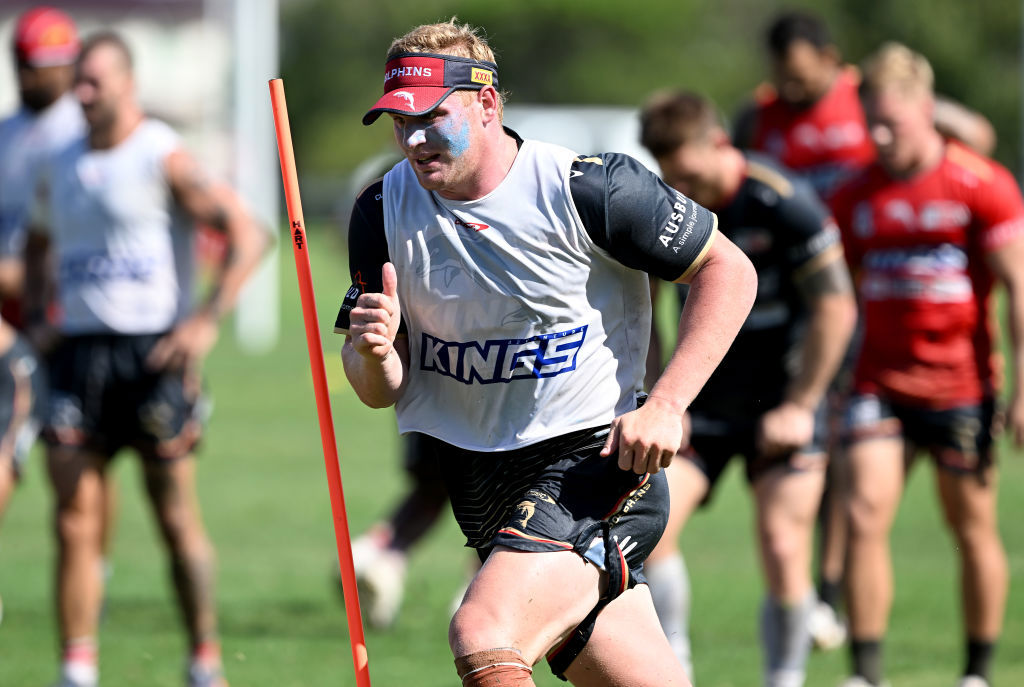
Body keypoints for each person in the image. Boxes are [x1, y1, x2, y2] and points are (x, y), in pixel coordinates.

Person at [335, 19, 757, 686]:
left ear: (486, 104)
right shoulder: (379, 211)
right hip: (478, 487)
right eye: (398, 122)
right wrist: (375, 351)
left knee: (483, 630)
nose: (413, 140)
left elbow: (729, 271)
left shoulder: (590, 188)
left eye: (432, 117)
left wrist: (668, 404)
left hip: (594, 466)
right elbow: (377, 385)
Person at [733, 11, 998, 651]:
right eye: (781, 78)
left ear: (832, 62)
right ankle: (823, 605)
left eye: (802, 76)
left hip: (883, 318)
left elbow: (977, 138)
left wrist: (926, 114)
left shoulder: (865, 99)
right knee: (834, 469)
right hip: (806, 301)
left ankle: (830, 599)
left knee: (863, 480)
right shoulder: (760, 115)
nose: (792, 89)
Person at [24, 31, 266, 687]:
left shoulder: (162, 155)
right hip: (76, 354)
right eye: (78, 80)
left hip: (152, 353)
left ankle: (203, 659)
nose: (82, 92)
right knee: (73, 517)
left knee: (173, 515)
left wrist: (204, 321)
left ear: (128, 84)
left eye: (95, 81)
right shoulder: (60, 161)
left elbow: (248, 234)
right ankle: (76, 668)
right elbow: (39, 245)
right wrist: (42, 317)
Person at [639, 91, 857, 687]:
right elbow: (645, 310)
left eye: (688, 172)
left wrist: (801, 404)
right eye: (670, 175)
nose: (681, 186)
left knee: (784, 546)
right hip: (703, 403)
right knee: (649, 529)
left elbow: (836, 307)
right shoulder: (670, 208)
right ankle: (673, 665)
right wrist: (665, 400)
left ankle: (783, 680)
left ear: (719, 142)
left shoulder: (781, 201)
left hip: (783, 400)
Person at [829, 42, 1024, 687]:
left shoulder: (980, 183)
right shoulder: (857, 194)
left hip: (962, 388)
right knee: (862, 515)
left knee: (971, 526)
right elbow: (841, 292)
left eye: (894, 124)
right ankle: (866, 672)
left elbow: (1020, 289)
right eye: (872, 125)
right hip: (878, 383)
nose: (881, 137)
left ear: (927, 113)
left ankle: (976, 671)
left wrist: (1023, 391)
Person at [0, 5, 85, 624]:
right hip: (8, 319)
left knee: (74, 467)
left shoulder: (77, 137)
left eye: (48, 67)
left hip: (62, 321)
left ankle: (90, 575)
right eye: (28, 66)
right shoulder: (6, 133)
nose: (36, 77)